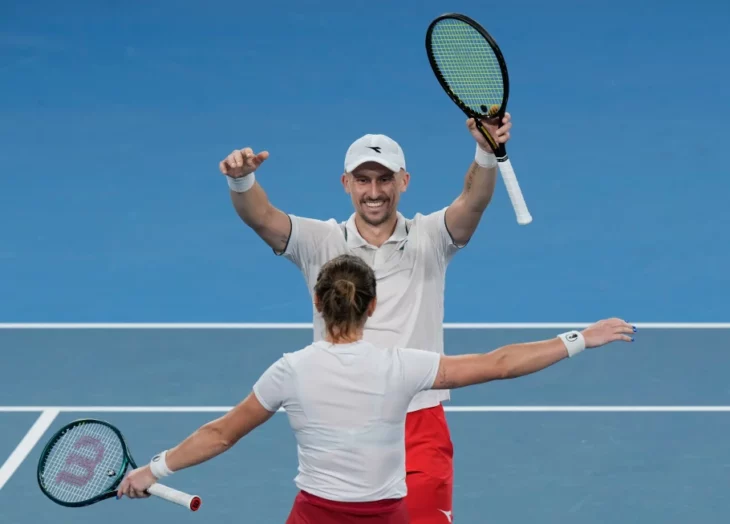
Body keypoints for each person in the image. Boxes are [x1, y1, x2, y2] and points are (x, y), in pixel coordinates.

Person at [118, 254, 636, 523]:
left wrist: (152, 470)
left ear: (318, 304)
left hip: (315, 517)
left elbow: (221, 434)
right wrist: (579, 339)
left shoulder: (289, 371)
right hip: (387, 518)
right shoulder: (401, 367)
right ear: (371, 306)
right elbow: (498, 364)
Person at [215, 114, 511, 523]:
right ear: (346, 183)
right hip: (344, 422)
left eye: (385, 179)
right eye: (363, 180)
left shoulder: (431, 236)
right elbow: (261, 217)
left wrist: (485, 151)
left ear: (404, 181)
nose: (374, 192)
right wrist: (241, 181)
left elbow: (473, 201)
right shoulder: (320, 240)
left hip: (418, 421)